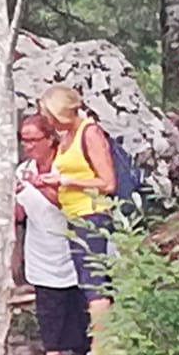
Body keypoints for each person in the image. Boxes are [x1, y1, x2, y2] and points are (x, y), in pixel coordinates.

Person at [37, 84, 118, 329]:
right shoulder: (67, 136)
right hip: (74, 216)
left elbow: (107, 182)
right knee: (86, 281)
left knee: (94, 285)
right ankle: (99, 341)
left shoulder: (89, 133)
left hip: (92, 214)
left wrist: (66, 180)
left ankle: (102, 345)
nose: (49, 122)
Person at [16, 113, 89, 355]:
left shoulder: (66, 167)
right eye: (24, 140)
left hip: (71, 240)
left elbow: (70, 203)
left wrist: (41, 187)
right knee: (47, 300)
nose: (28, 146)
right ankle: (52, 353)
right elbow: (20, 213)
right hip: (40, 243)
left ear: (50, 139)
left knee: (75, 298)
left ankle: (81, 351)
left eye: (33, 140)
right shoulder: (23, 171)